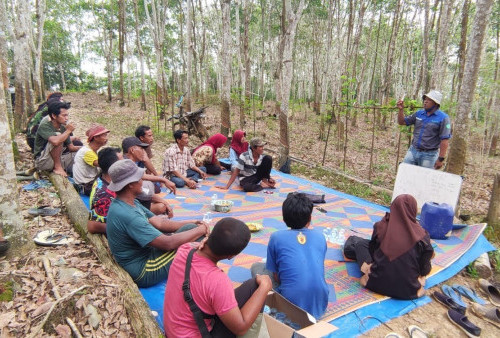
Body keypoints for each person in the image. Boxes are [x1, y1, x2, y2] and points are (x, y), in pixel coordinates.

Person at [106, 159, 210, 287]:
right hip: (143, 268)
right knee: (197, 239)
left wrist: (194, 222)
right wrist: (201, 229)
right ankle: (202, 279)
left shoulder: (130, 202)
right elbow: (168, 244)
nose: (142, 181)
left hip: (146, 253)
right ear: (130, 185)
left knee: (190, 228)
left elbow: (160, 224)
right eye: (139, 178)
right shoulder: (128, 214)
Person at [163, 217, 272, 337]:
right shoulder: (218, 281)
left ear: (209, 236)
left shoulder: (185, 249)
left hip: (172, 332)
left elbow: (198, 246)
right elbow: (240, 328)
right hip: (197, 334)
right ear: (231, 256)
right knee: (255, 287)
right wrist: (264, 288)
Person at [250, 193, 328, 319]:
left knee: (256, 267)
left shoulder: (276, 237)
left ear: (284, 218)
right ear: (310, 218)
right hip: (320, 304)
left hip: (290, 306)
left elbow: (277, 277)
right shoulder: (320, 236)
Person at [343, 194, 434, 300]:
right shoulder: (422, 236)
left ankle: (369, 270)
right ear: (413, 211)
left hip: (375, 284)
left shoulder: (380, 226)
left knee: (360, 245)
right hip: (408, 292)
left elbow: (373, 253)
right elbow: (425, 269)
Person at [397, 90, 451, 169]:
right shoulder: (419, 113)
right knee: (405, 173)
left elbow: (445, 140)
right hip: (413, 151)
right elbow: (402, 122)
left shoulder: (443, 118)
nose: (425, 102)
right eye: (425, 99)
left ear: (435, 103)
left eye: (429, 100)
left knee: (424, 179)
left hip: (429, 155)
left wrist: (440, 159)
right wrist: (401, 110)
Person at [122, 137, 176, 215]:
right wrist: (163, 180)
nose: (144, 152)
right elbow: (143, 191)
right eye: (141, 149)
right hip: (129, 206)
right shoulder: (125, 165)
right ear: (132, 150)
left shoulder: (131, 164)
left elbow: (142, 176)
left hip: (136, 201)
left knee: (161, 205)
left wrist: (163, 180)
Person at [34, 100, 81, 177]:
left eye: (67, 115)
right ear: (54, 116)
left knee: (81, 155)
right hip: (43, 161)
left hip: (57, 158)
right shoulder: (45, 124)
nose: (66, 118)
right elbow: (55, 141)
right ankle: (58, 167)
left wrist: (86, 149)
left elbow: (71, 147)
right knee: (58, 136)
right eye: (64, 115)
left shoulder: (63, 126)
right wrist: (68, 131)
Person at [87, 147, 122, 234]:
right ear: (114, 166)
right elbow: (93, 226)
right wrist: (126, 230)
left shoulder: (103, 178)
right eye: (122, 160)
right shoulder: (105, 193)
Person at [73, 125, 110, 195]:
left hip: (88, 182)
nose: (106, 138)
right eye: (104, 136)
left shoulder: (91, 150)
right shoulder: (87, 152)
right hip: (86, 186)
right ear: (96, 138)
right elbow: (103, 165)